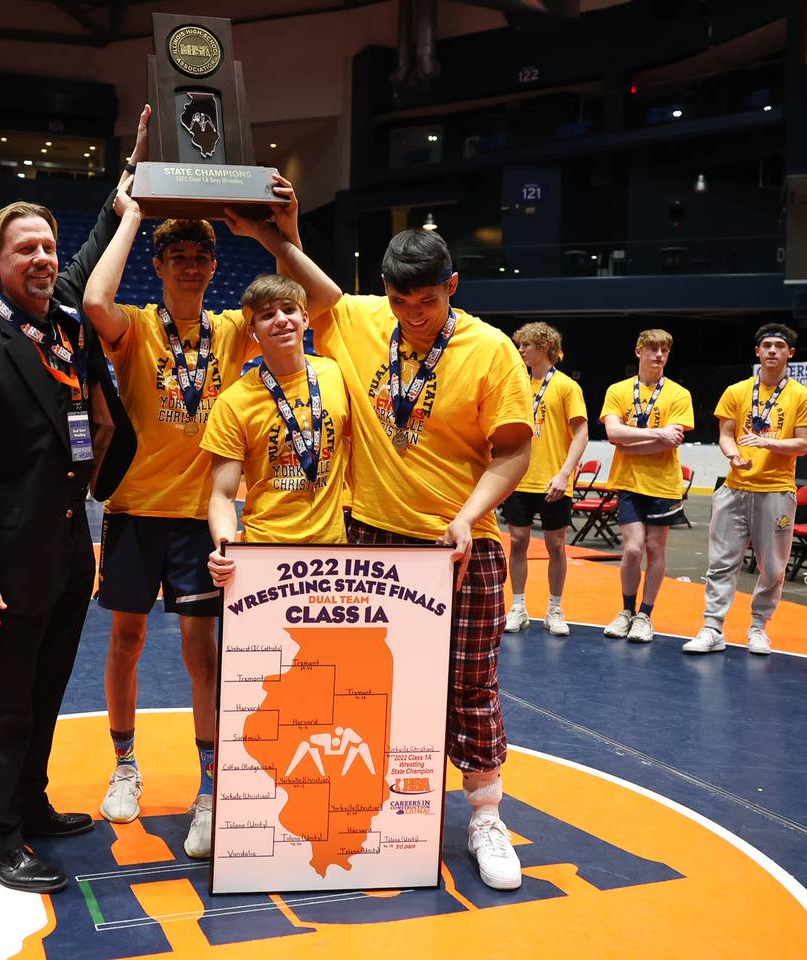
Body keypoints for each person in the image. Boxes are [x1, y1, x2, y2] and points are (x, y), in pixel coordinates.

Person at [231, 206, 535, 892]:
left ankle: (486, 815)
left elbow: (513, 453)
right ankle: (384, 812)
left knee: (471, 688)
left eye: (427, 301)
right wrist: (268, 236)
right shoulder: (368, 318)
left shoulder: (490, 351)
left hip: (461, 545)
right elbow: (316, 292)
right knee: (367, 689)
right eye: (400, 301)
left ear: (452, 287)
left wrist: (467, 517)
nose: (412, 315)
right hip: (369, 542)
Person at [0, 106, 145, 895]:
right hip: (9, 558)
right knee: (6, 697)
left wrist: (124, 189)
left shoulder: (62, 325)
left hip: (64, 551)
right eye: (27, 249)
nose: (45, 259)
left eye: (50, 248)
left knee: (48, 689)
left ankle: (30, 801)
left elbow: (89, 255)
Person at [81, 196, 256, 854]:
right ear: (157, 265)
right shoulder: (136, 327)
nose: (189, 267)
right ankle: (125, 766)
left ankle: (209, 789)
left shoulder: (234, 329)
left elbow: (312, 306)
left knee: (202, 655)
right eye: (177, 257)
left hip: (198, 518)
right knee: (125, 641)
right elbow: (96, 300)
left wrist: (267, 229)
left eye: (201, 257)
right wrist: (131, 215)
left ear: (214, 266)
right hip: (131, 512)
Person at [684, 324, 807, 656]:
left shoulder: (802, 396)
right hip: (735, 488)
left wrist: (767, 442)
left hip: (776, 491)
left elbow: (803, 444)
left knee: (772, 567)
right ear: (757, 352)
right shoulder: (737, 391)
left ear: (790, 353)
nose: (772, 350)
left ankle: (759, 627)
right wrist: (733, 454)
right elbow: (726, 433)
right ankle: (712, 627)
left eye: (779, 346)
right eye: (766, 346)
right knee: (721, 562)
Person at [203, 274, 351, 562]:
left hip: (334, 548)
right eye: (267, 315)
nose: (281, 320)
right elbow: (223, 495)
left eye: (289, 309)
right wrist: (224, 545)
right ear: (253, 331)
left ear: (306, 318)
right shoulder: (234, 402)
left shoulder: (334, 374)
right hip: (266, 550)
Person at [599, 330, 694, 643]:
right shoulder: (618, 390)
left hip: (664, 484)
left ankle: (644, 615)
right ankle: (626, 610)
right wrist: (657, 434)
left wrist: (630, 441)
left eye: (665, 350)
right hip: (628, 482)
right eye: (653, 349)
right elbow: (613, 432)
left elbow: (671, 441)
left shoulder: (679, 394)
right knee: (632, 548)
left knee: (655, 549)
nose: (659, 355)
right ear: (638, 350)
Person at [501, 322, 588, 637]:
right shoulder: (516, 384)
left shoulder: (565, 386)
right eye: (520, 345)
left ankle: (555, 608)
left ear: (544, 347)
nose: (521, 350)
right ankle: (518, 606)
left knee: (555, 545)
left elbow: (581, 433)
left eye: (527, 345)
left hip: (553, 479)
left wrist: (564, 473)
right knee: (518, 542)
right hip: (518, 479)